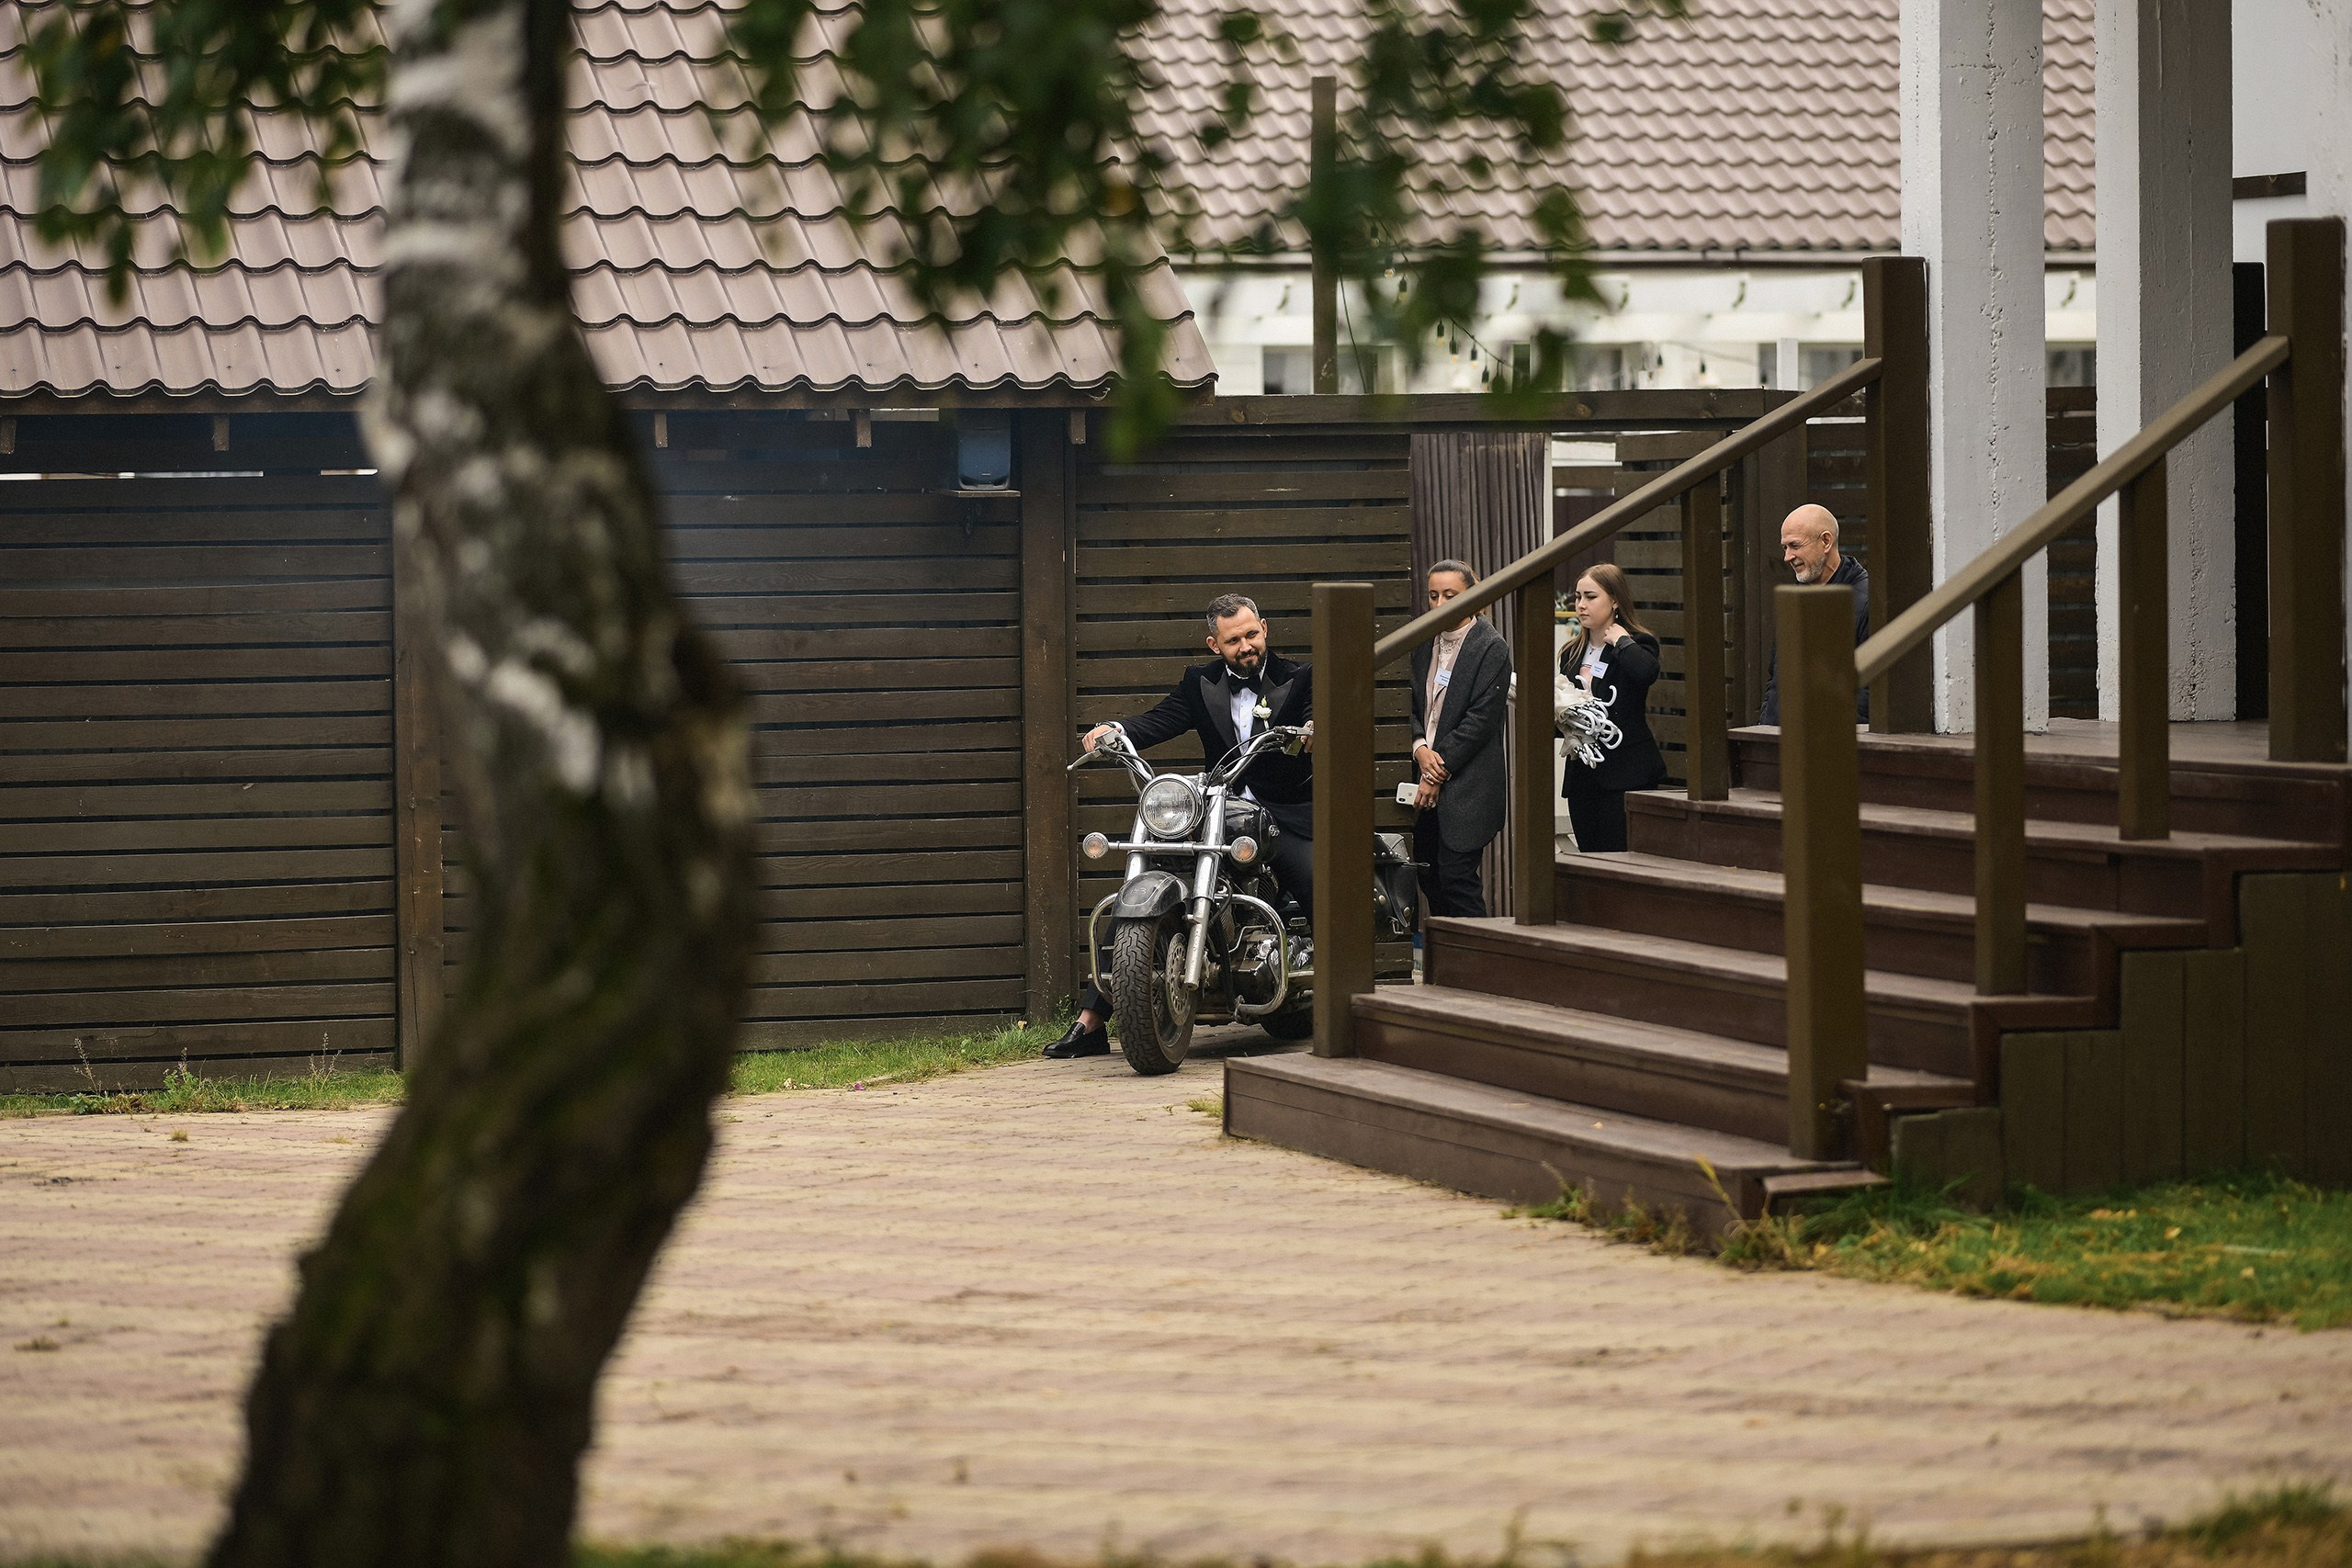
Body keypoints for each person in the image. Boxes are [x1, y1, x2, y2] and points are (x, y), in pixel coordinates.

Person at [1044, 592, 1313, 1059]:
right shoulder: (1200, 682)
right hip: (1219, 811)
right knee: (1149, 878)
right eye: (1233, 641)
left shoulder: (1300, 676)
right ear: (1215, 645)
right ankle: (1091, 1023)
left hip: (1285, 811)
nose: (1245, 646)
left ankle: (1344, 1002)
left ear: (1264, 629)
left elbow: (1318, 714)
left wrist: (1312, 729)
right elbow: (1160, 720)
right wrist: (1114, 731)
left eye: (1251, 634)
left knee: (1317, 885)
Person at [1408, 560, 1512, 918]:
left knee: (1457, 879)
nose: (1439, 605)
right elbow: (1408, 703)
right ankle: (1446, 967)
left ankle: (1480, 966)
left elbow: (1479, 721)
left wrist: (1437, 771)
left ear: (1474, 596)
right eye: (1433, 596)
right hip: (1420, 773)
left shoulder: (1490, 646)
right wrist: (1420, 747)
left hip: (1468, 783)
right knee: (1429, 877)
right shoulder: (1421, 639)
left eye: (1450, 595)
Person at [1556, 563, 1666, 853]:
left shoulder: (1637, 643)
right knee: (1590, 858)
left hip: (1625, 774)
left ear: (1615, 600)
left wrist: (1621, 641)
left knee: (1621, 858)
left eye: (1591, 597)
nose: (1581, 605)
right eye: (1578, 597)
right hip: (1583, 777)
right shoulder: (1571, 652)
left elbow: (1646, 673)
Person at [1757, 502, 1870, 725]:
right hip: (1779, 743)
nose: (1788, 556)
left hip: (1826, 748)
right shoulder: (1795, 597)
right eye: (1785, 547)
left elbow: (1870, 696)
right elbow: (1776, 678)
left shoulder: (1868, 602)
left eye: (1795, 546)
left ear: (1826, 541)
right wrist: (1765, 722)